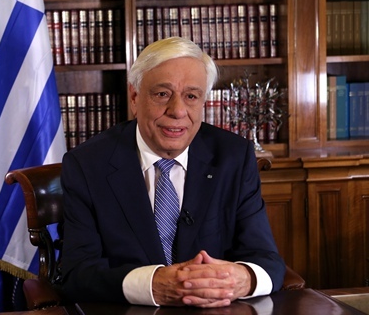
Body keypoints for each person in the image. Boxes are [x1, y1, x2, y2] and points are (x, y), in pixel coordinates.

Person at [60, 37, 285, 308]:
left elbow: (267, 260)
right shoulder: (87, 165)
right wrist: (152, 284)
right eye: (162, 94)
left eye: (191, 96)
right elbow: (77, 274)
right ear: (134, 97)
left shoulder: (234, 157)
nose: (177, 111)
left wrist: (242, 279)